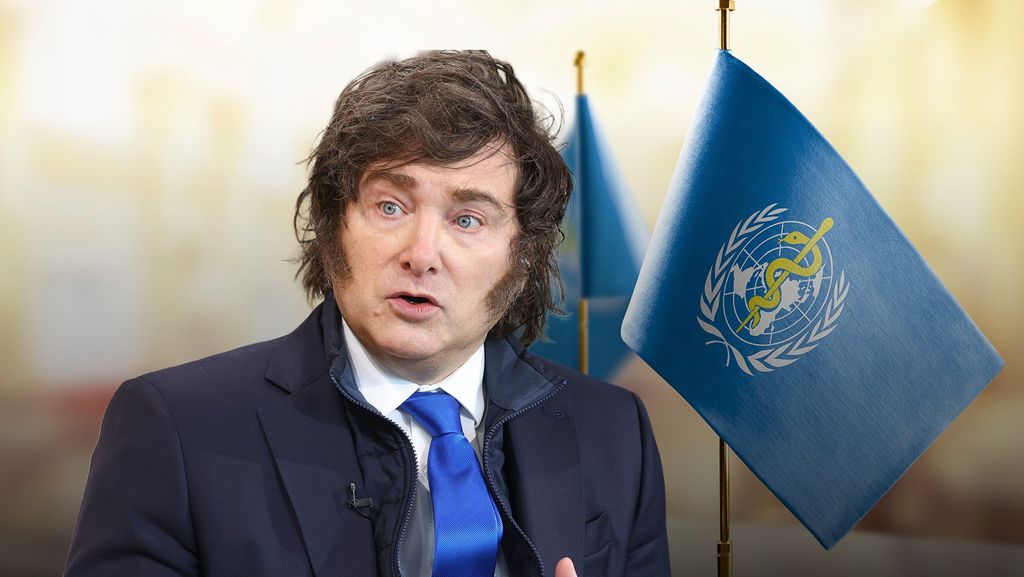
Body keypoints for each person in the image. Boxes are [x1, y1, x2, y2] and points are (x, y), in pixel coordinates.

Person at [64, 50, 670, 577]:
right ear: (335, 225)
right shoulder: (177, 427)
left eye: (467, 219)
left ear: (524, 255)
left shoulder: (614, 431)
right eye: (390, 206)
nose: (422, 254)